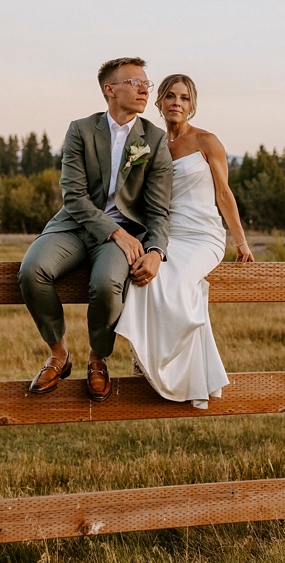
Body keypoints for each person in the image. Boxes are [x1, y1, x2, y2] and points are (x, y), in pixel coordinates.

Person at [19, 57, 173, 402]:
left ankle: (97, 358)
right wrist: (114, 232)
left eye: (147, 83)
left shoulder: (155, 140)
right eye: (135, 82)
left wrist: (156, 251)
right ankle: (59, 354)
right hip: (74, 226)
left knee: (106, 285)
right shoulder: (81, 130)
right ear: (110, 89)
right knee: (32, 270)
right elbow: (73, 195)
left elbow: (159, 209)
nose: (145, 89)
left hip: (124, 236)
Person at [116, 74, 254, 408]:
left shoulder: (208, 142)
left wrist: (242, 242)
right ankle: (146, 357)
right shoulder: (151, 144)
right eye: (171, 97)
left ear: (191, 106)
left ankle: (166, 364)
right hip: (168, 235)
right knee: (143, 275)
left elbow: (224, 194)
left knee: (176, 282)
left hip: (203, 236)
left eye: (185, 98)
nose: (177, 103)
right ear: (160, 102)